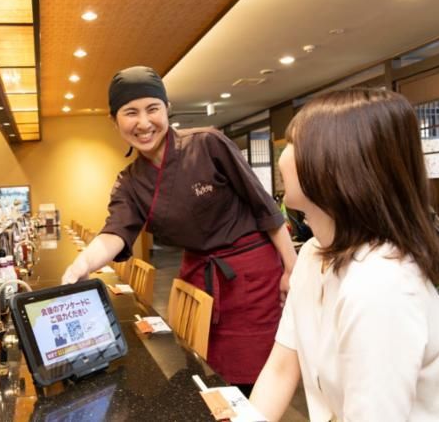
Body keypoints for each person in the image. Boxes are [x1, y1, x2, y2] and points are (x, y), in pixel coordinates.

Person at [62, 66, 297, 393]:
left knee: (254, 378)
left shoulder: (208, 143)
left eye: (152, 109)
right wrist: (83, 263)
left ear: (167, 109)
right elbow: (115, 232)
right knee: (202, 371)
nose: (144, 123)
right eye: (131, 112)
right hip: (199, 279)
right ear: (114, 121)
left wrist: (291, 268)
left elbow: (264, 207)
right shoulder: (130, 181)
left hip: (251, 277)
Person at [249, 89, 439, 421]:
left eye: (295, 143)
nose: (283, 154)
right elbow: (281, 368)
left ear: (336, 164)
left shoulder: (382, 285)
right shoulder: (313, 254)